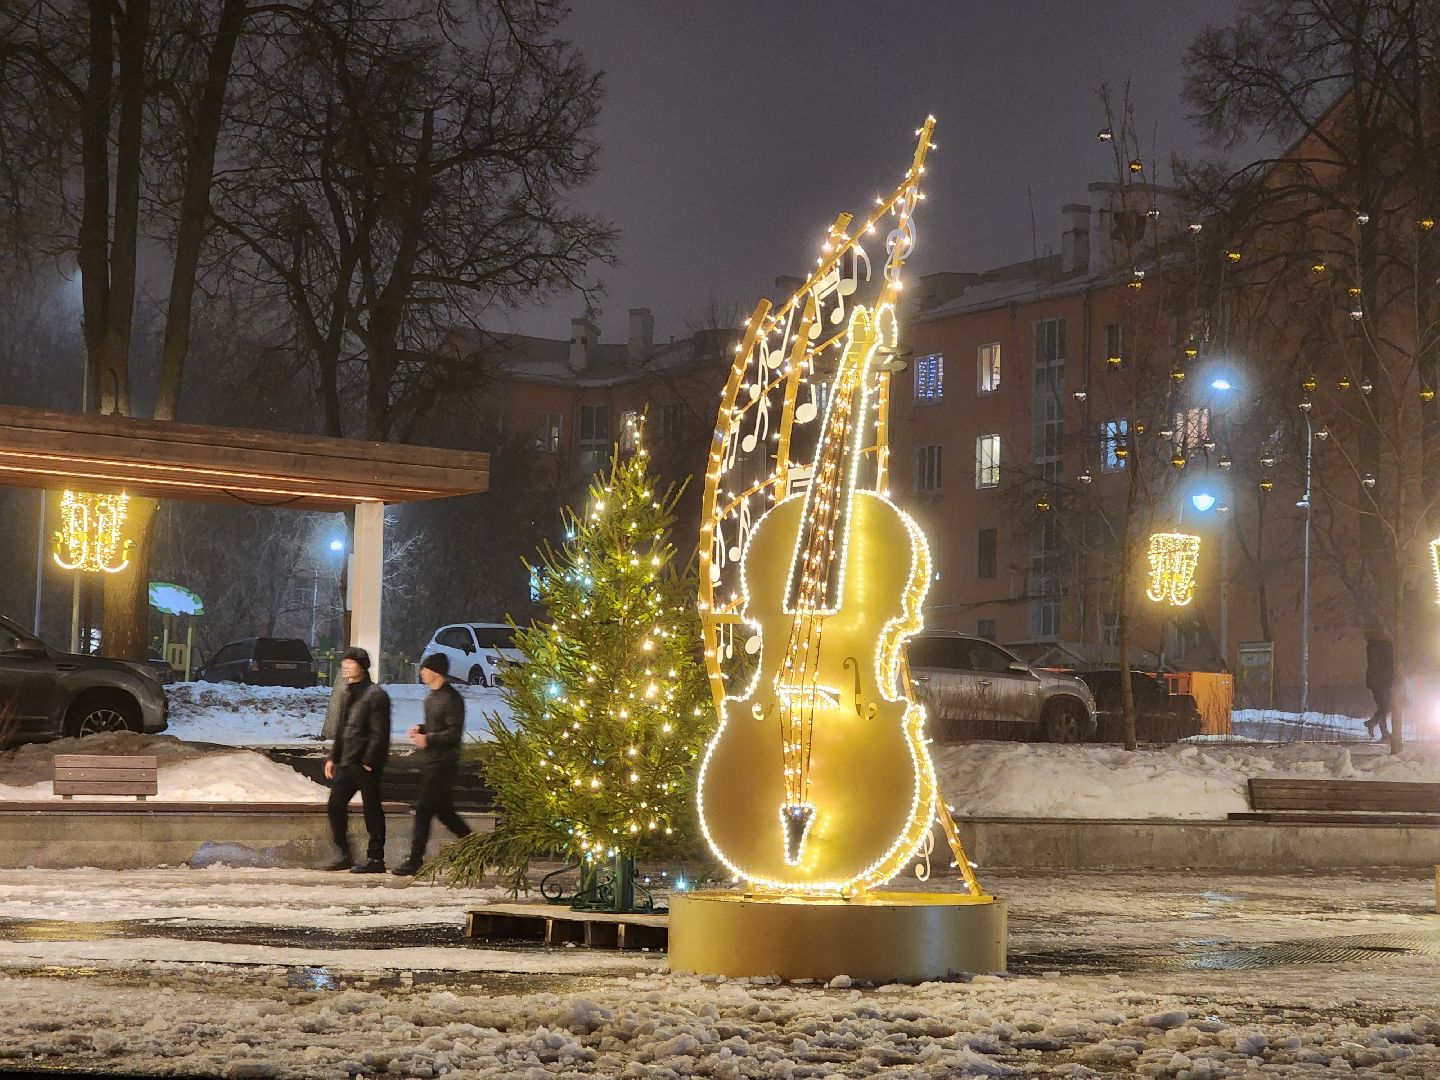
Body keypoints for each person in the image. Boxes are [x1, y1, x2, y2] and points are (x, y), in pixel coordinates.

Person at [392, 653, 472, 876]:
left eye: (425, 669)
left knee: (423, 810)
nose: (422, 673)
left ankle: (415, 859)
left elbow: (453, 732)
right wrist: (422, 728)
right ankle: (475, 846)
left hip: (444, 763)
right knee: (445, 813)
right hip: (432, 761)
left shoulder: (451, 698)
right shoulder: (432, 697)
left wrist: (428, 739)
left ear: (436, 671)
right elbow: (438, 725)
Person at [323, 646, 392, 872]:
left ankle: (376, 859)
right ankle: (345, 853)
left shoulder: (375, 694)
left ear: (361, 666)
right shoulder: (347, 693)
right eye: (344, 663)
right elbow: (342, 729)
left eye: (350, 663)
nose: (344, 666)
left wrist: (369, 760)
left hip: (365, 763)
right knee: (335, 805)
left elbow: (380, 732)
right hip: (346, 761)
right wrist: (333, 757)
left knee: (372, 808)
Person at [1365, 631, 1394, 741]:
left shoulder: (1372, 646)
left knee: (1382, 707)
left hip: (1376, 682)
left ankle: (1382, 730)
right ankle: (1374, 724)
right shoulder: (1385, 647)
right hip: (1383, 681)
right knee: (1385, 707)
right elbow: (1388, 664)